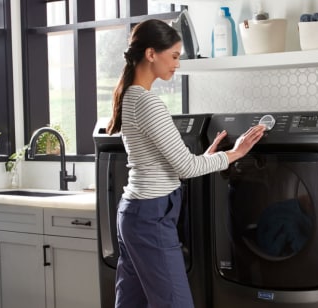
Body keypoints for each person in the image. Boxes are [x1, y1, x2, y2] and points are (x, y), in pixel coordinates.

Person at [106, 19, 266, 308]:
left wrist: (207, 158)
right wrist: (236, 152)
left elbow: (159, 162)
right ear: (151, 53)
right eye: (175, 56)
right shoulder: (148, 102)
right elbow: (185, 169)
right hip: (151, 216)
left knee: (131, 303)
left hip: (134, 213)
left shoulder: (128, 96)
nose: (177, 64)